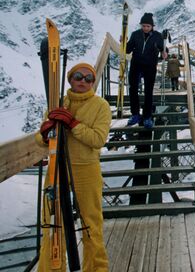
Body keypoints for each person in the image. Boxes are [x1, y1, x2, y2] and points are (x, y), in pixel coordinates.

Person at [36, 63, 111, 272]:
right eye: (79, 76)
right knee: (51, 222)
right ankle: (51, 268)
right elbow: (41, 140)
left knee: (91, 223)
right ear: (70, 79)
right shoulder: (57, 103)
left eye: (89, 79)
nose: (83, 81)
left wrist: (73, 124)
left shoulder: (100, 105)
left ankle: (96, 269)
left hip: (86, 168)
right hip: (56, 166)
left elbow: (98, 139)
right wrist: (44, 133)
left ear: (93, 83)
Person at [126, 12, 166, 129]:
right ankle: (135, 115)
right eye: (143, 26)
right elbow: (128, 50)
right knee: (133, 89)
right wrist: (123, 42)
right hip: (136, 65)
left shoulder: (157, 36)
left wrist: (165, 52)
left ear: (152, 26)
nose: (145, 28)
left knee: (149, 91)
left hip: (150, 66)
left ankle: (147, 117)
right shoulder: (135, 35)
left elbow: (163, 48)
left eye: (148, 26)